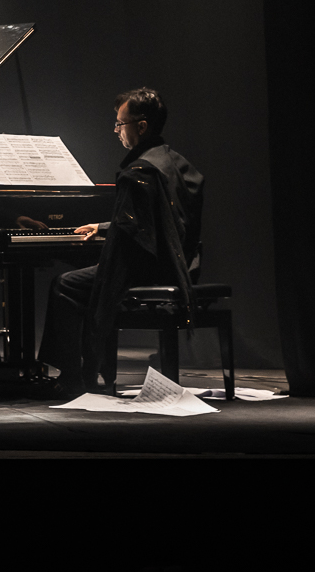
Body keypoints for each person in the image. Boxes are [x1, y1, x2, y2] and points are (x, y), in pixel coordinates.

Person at [38, 87, 205, 394]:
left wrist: (109, 249)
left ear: (141, 126)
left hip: (150, 272)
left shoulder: (138, 172)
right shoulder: (177, 164)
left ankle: (73, 376)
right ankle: (95, 369)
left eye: (120, 124)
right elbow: (162, 221)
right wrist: (104, 227)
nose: (116, 130)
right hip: (181, 269)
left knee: (65, 285)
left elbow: (130, 239)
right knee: (87, 280)